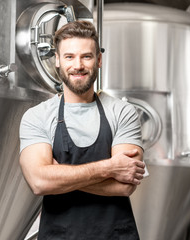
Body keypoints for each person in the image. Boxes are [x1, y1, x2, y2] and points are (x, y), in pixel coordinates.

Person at [19, 20, 146, 240]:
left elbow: (124, 186)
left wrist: (59, 177)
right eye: (69, 57)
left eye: (86, 56)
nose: (77, 65)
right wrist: (110, 166)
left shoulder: (122, 112)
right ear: (57, 60)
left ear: (98, 60)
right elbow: (39, 182)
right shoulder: (37, 116)